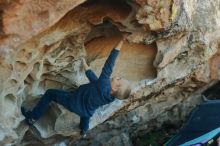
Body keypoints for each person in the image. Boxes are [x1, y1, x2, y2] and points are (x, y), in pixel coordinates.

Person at [21, 35, 131, 137]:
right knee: (87, 114)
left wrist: (121, 40)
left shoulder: (103, 84)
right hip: (86, 112)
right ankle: (83, 130)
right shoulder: (110, 97)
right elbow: (95, 82)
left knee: (50, 93)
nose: (117, 77)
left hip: (73, 102)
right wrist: (85, 65)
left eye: (119, 79)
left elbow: (109, 63)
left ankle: (32, 117)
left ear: (115, 88)